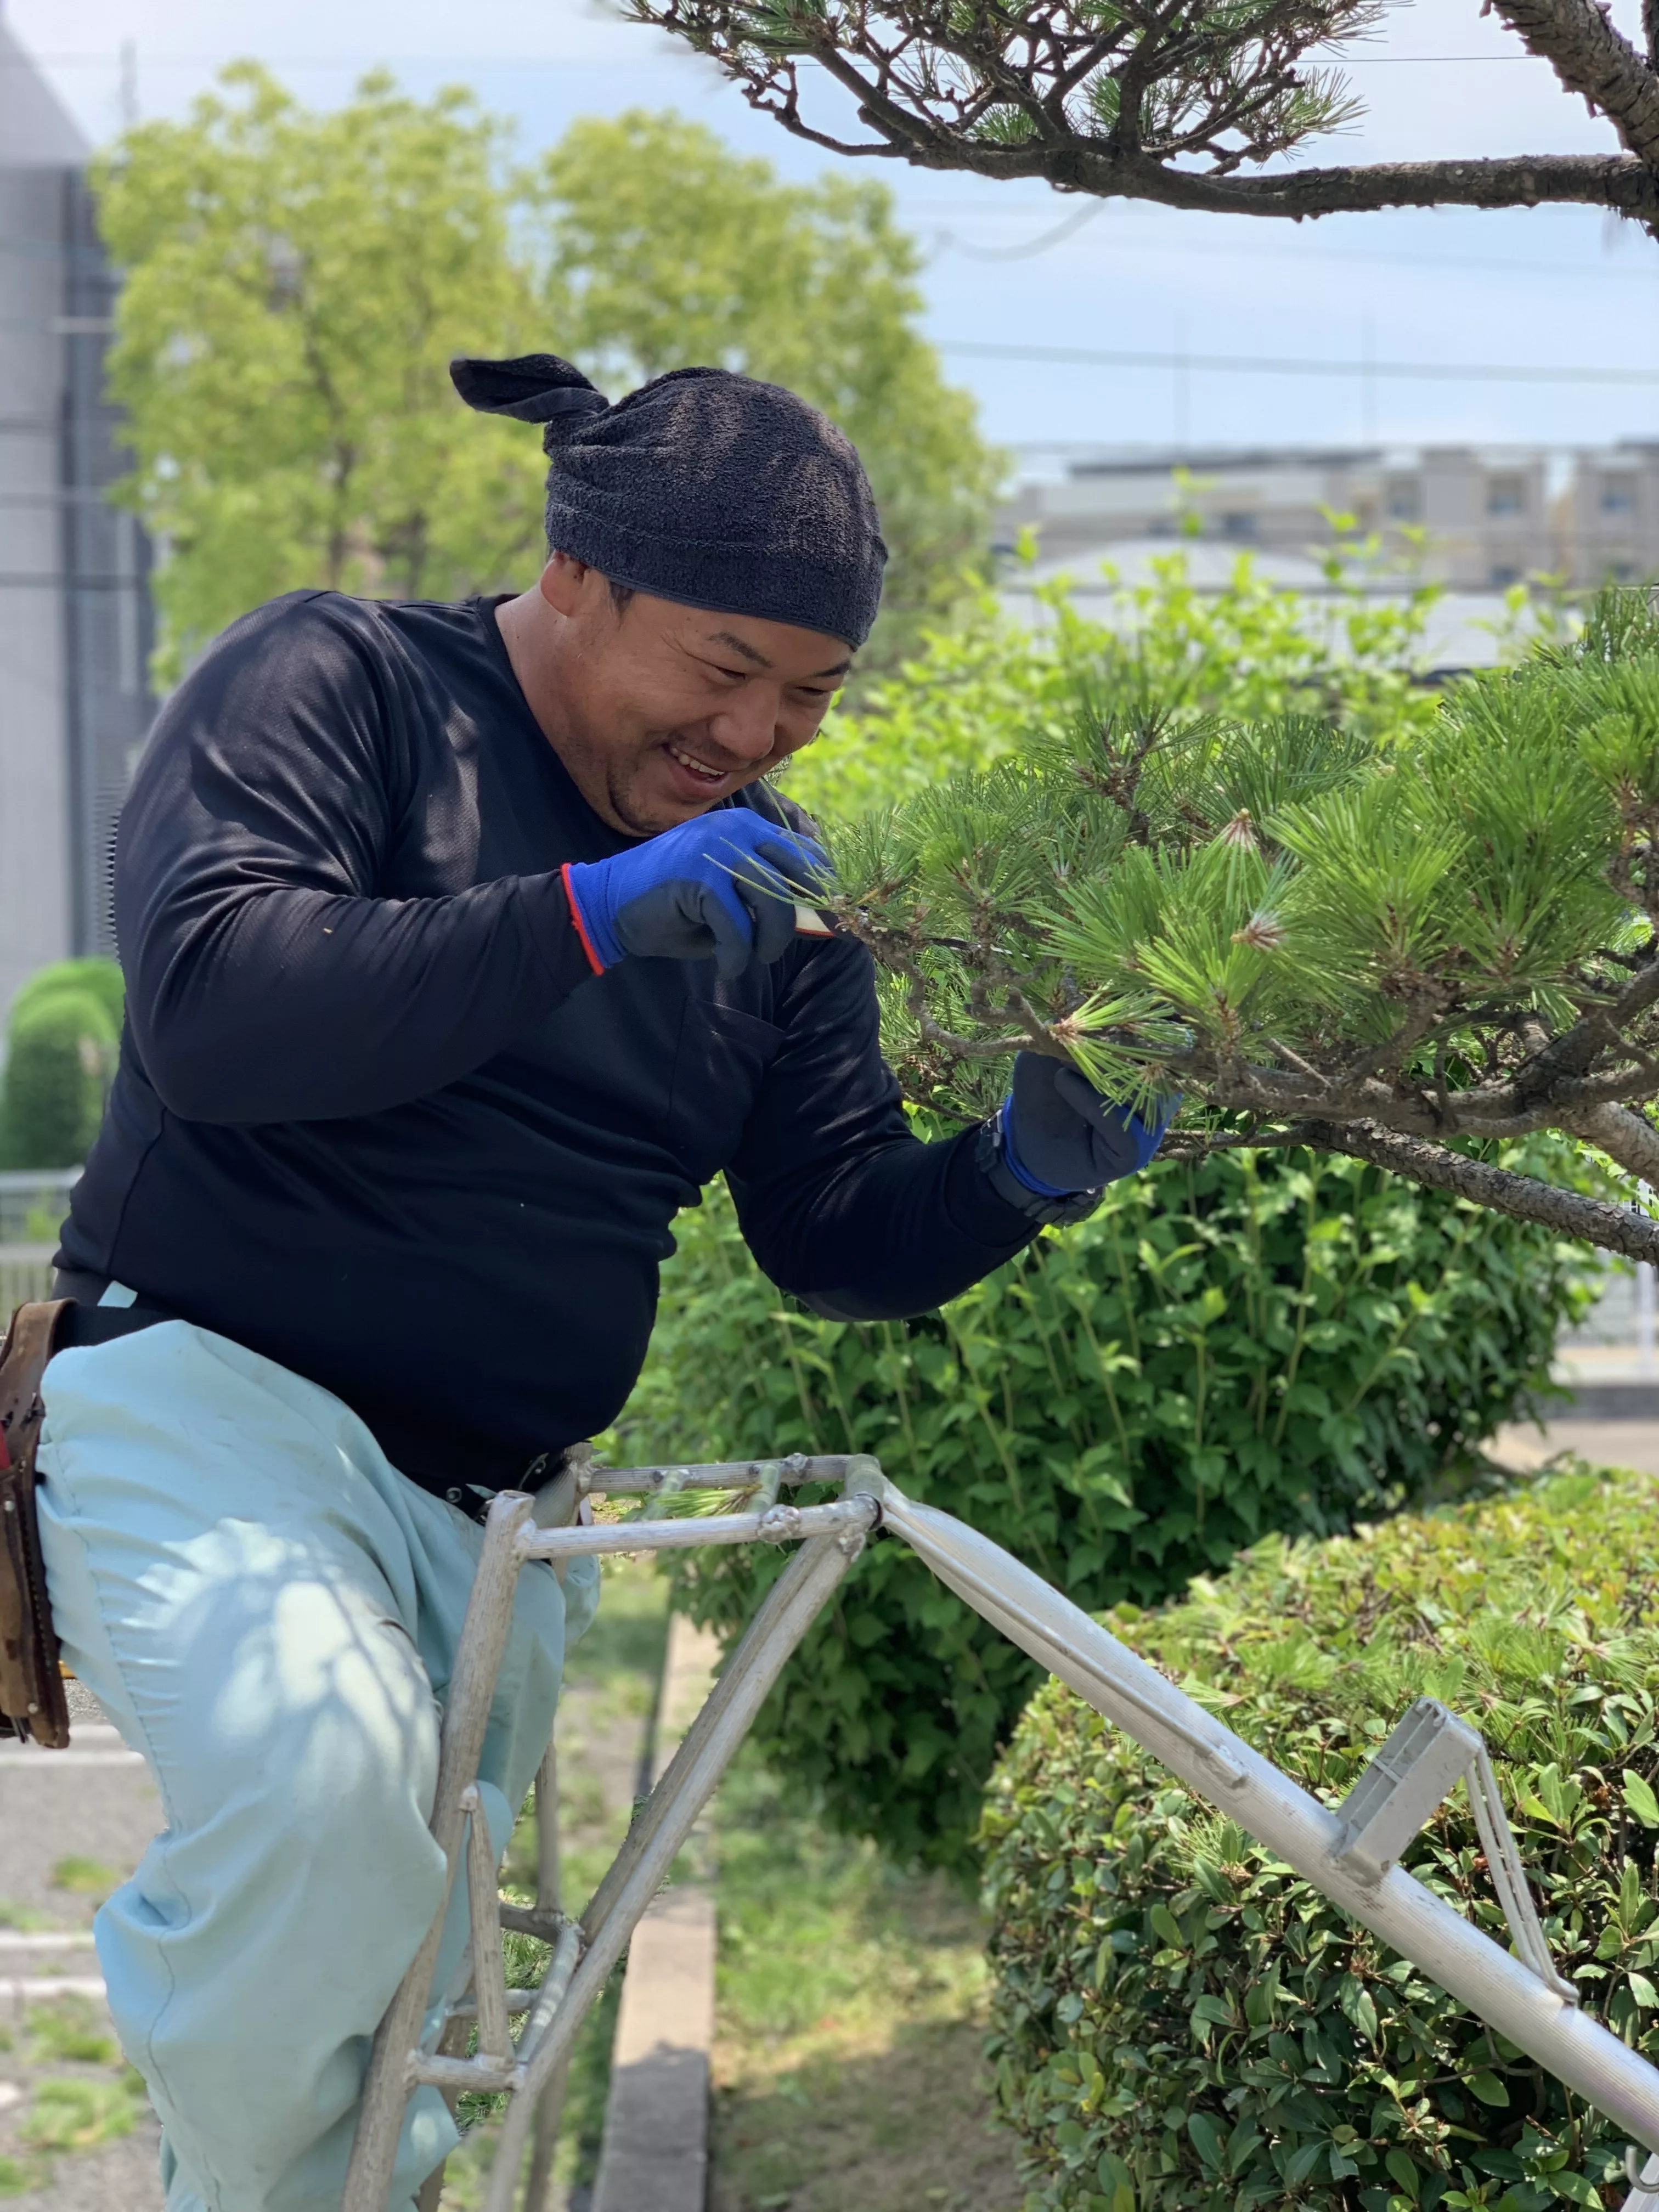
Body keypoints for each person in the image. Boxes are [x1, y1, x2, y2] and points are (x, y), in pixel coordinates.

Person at [33, 354, 1170, 2212]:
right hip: (205, 1399)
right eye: (724, 668)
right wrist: (578, 918)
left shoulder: (777, 894)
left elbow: (827, 1235)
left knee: (422, 1993)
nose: (761, 732)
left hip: (499, 1507)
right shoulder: (346, 684)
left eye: (810, 693)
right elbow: (215, 1008)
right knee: (323, 1817)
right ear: (578, 576)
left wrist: (1011, 1179)